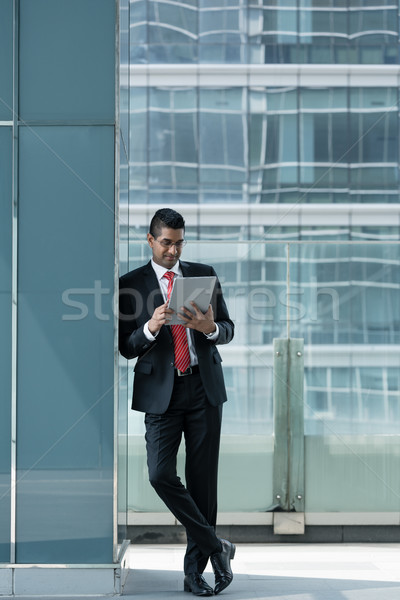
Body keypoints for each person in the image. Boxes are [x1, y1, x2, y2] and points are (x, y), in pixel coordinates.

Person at [119, 208, 235, 596]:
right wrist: (151, 327)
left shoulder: (204, 275)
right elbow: (126, 347)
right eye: (166, 242)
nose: (173, 250)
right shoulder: (129, 283)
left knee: (204, 485)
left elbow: (228, 330)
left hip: (204, 389)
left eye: (179, 242)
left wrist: (210, 328)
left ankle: (193, 574)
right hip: (161, 395)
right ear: (150, 240)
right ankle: (216, 545)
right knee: (159, 474)